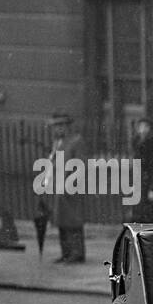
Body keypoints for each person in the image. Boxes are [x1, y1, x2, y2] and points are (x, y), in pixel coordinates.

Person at [47, 112, 87, 263]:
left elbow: (80, 165)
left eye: (59, 126)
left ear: (66, 126)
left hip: (71, 187)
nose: (56, 129)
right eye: (55, 126)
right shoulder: (58, 143)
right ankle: (66, 252)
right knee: (62, 221)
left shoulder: (76, 141)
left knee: (73, 222)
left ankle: (77, 253)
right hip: (59, 186)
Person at [131, 116, 153, 223]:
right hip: (141, 183)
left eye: (145, 126)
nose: (142, 129)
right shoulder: (138, 142)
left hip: (148, 183)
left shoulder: (152, 143)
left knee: (151, 214)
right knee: (142, 213)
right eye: (140, 126)